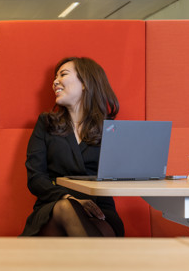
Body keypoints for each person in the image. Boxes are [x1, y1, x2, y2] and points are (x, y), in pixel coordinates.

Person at [21, 57, 125, 237]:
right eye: (55, 77)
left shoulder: (109, 128)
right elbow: (35, 178)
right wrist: (69, 198)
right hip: (55, 206)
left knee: (98, 230)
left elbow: (120, 177)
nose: (55, 82)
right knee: (67, 208)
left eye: (63, 74)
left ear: (85, 82)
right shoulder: (46, 123)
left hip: (99, 209)